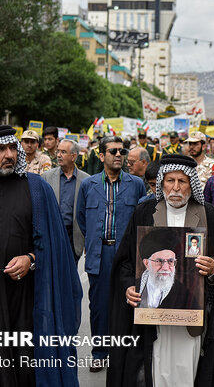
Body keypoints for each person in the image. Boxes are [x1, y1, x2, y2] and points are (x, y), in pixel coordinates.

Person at [0, 124, 82, 386]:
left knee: (27, 363)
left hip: (27, 296)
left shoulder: (37, 189)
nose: (9, 154)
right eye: (0, 149)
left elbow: (56, 246)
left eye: (12, 148)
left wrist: (31, 260)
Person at [108, 154, 214, 387]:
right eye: (169, 181)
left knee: (188, 372)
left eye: (182, 181)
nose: (175, 188)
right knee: (155, 372)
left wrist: (213, 268)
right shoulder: (145, 212)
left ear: (191, 184)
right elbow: (125, 262)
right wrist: (128, 288)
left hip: (190, 320)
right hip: (153, 321)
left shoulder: (208, 214)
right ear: (161, 183)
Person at [76, 135, 146, 372]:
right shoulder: (89, 185)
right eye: (113, 151)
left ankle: (125, 353)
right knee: (99, 307)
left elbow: (141, 217)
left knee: (129, 302)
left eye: (121, 151)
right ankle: (99, 353)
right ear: (101, 155)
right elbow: (82, 218)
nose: (118, 155)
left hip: (126, 255)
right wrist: (95, 241)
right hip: (100, 254)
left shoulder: (136, 184)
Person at [42, 139, 90, 265]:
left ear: (73, 156)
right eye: (58, 151)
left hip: (73, 236)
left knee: (70, 273)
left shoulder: (86, 180)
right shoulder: (47, 177)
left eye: (63, 152)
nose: (58, 155)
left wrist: (88, 240)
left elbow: (89, 213)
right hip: (53, 232)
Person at [138, 235, 200, 310]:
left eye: (171, 261)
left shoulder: (186, 296)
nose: (165, 268)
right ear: (146, 263)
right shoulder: (133, 288)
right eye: (159, 261)